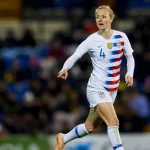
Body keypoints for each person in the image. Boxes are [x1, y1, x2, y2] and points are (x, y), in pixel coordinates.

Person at [55, 5, 135, 150]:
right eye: (98, 17)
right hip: (96, 88)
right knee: (113, 121)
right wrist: (65, 67)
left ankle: (63, 137)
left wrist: (129, 74)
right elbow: (76, 55)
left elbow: (130, 57)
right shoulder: (91, 40)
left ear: (111, 18)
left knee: (90, 127)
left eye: (104, 16)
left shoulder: (121, 37)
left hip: (112, 90)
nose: (100, 19)